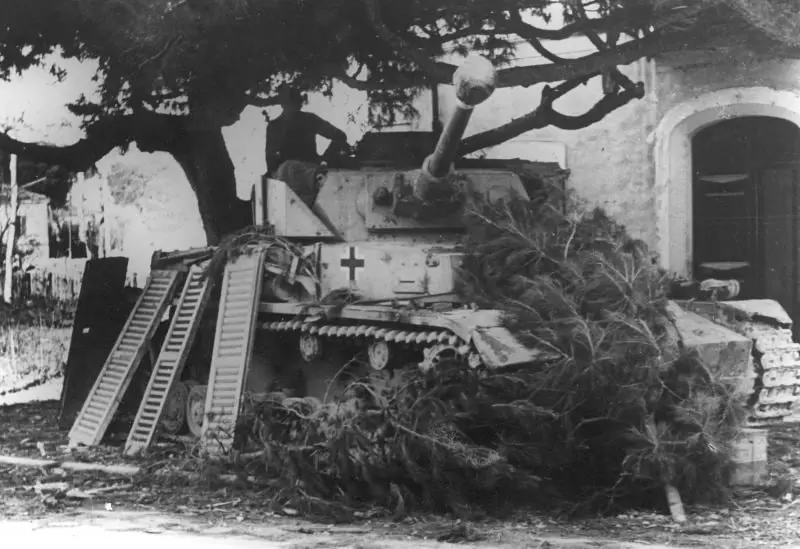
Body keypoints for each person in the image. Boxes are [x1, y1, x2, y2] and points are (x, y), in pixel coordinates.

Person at [264, 86, 349, 207]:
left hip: (310, 170)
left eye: (297, 102)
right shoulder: (274, 126)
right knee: (287, 168)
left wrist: (325, 159)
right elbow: (271, 160)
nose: (295, 105)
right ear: (283, 104)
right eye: (291, 102)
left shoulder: (310, 119)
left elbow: (339, 136)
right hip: (287, 176)